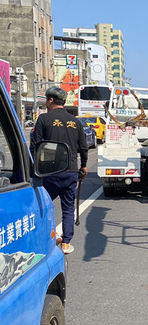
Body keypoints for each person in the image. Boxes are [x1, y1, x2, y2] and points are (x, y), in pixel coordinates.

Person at [30, 87, 88, 254]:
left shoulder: (44, 119)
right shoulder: (75, 122)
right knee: (68, 207)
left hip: (49, 171)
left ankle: (43, 237)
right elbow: (83, 147)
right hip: (70, 171)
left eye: (46, 100)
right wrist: (83, 166)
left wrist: (33, 167)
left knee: (43, 204)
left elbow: (35, 145)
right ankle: (66, 243)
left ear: (50, 101)